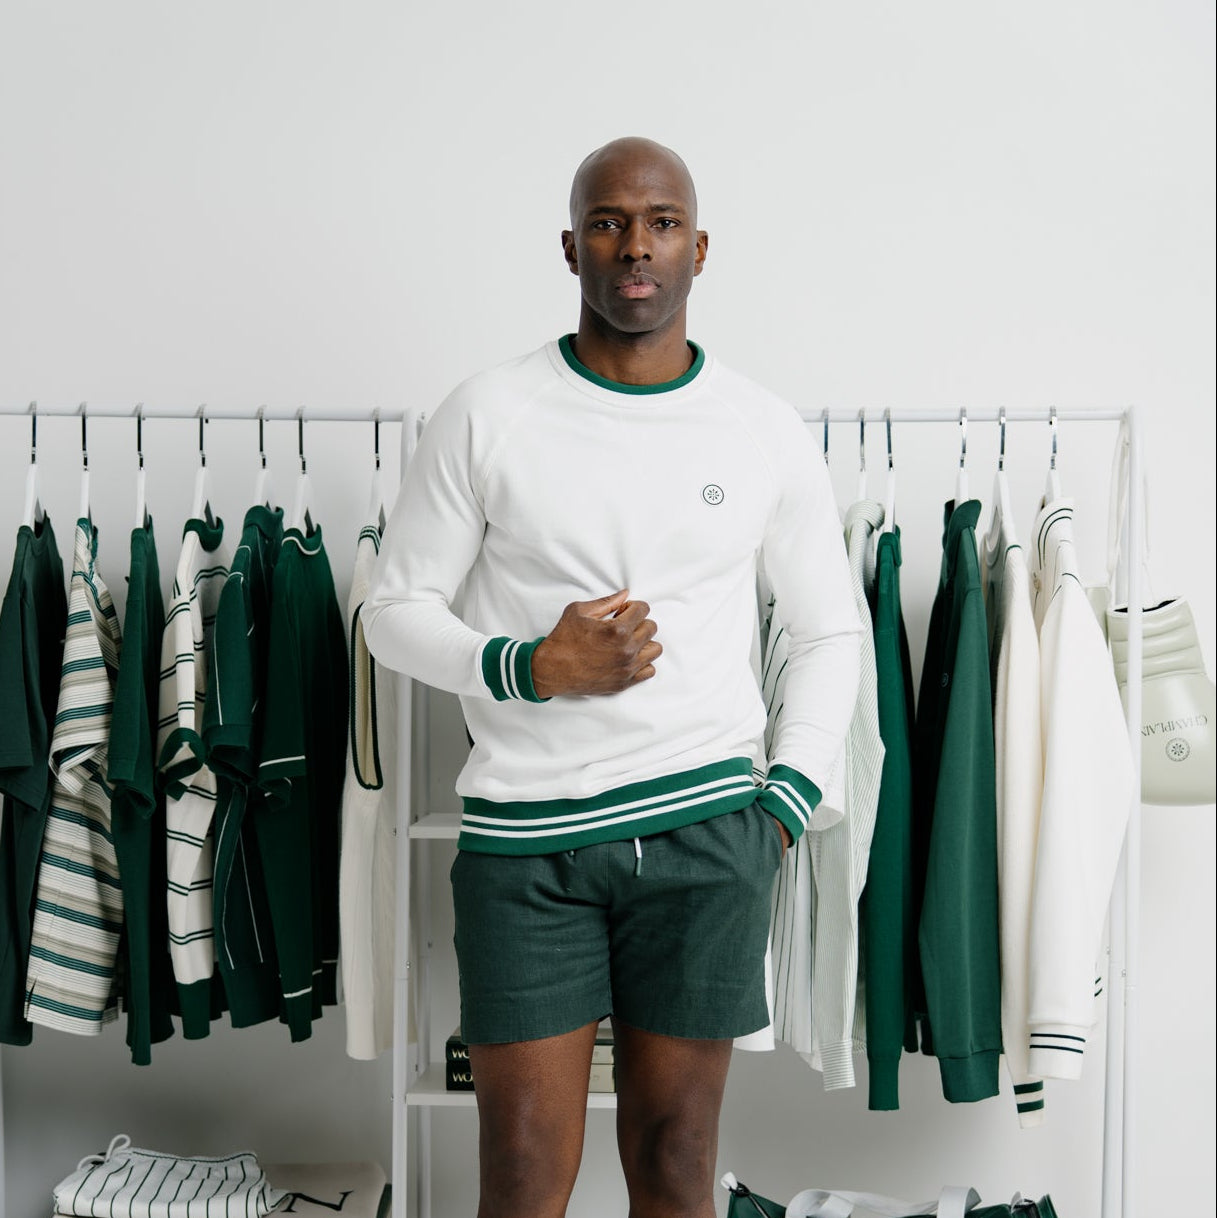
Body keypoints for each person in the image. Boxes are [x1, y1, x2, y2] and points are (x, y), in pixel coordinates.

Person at [362, 136, 861, 1218]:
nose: (634, 245)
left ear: (699, 247)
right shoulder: (488, 411)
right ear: (569, 246)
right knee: (522, 1172)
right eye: (607, 222)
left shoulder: (760, 426)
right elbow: (389, 614)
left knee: (678, 1163)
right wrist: (527, 665)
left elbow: (830, 631)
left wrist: (782, 801)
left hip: (706, 836)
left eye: (661, 222)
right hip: (526, 847)